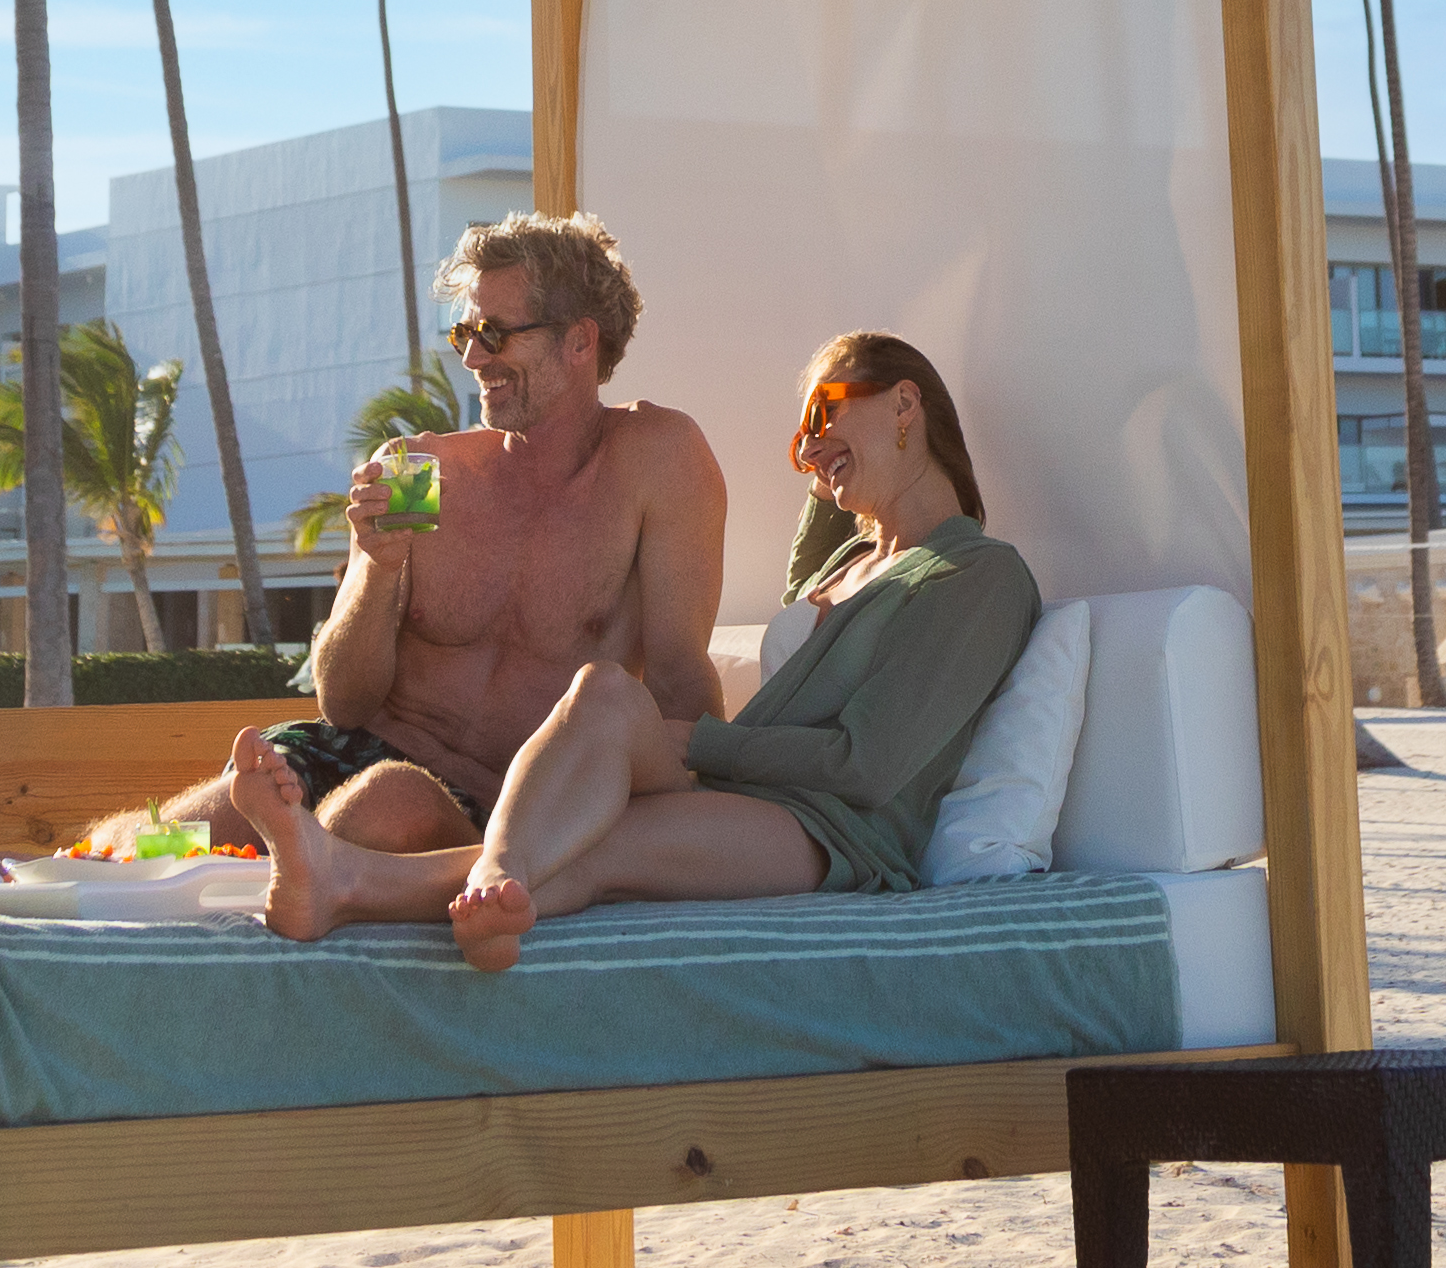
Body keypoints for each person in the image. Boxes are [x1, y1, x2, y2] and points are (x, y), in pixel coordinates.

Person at [238, 331, 1043, 969]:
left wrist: (705, 740)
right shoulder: (847, 562)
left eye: (823, 412)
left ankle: (356, 881)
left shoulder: (979, 575)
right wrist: (831, 448)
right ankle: (495, 866)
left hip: (834, 830)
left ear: (908, 403)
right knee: (606, 692)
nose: (806, 449)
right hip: (736, 787)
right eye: (799, 436)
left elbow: (867, 765)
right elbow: (832, 520)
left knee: (601, 847)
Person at [179, 211, 726, 857]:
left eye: (494, 332)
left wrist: (699, 839)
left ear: (580, 340)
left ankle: (311, 868)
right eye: (466, 330)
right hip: (357, 751)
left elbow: (681, 686)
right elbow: (344, 701)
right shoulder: (421, 465)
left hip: (500, 807)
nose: (472, 356)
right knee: (166, 837)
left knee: (388, 808)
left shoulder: (658, 460)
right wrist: (379, 570)